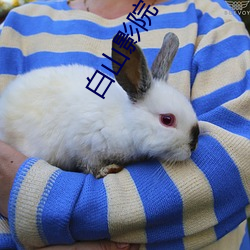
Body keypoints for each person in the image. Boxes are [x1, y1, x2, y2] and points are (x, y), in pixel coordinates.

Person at [0, 0, 250, 249]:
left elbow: (232, 171)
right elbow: (80, 135)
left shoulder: (212, 19)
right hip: (27, 121)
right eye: (167, 121)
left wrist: (38, 209)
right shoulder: (17, 27)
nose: (192, 147)